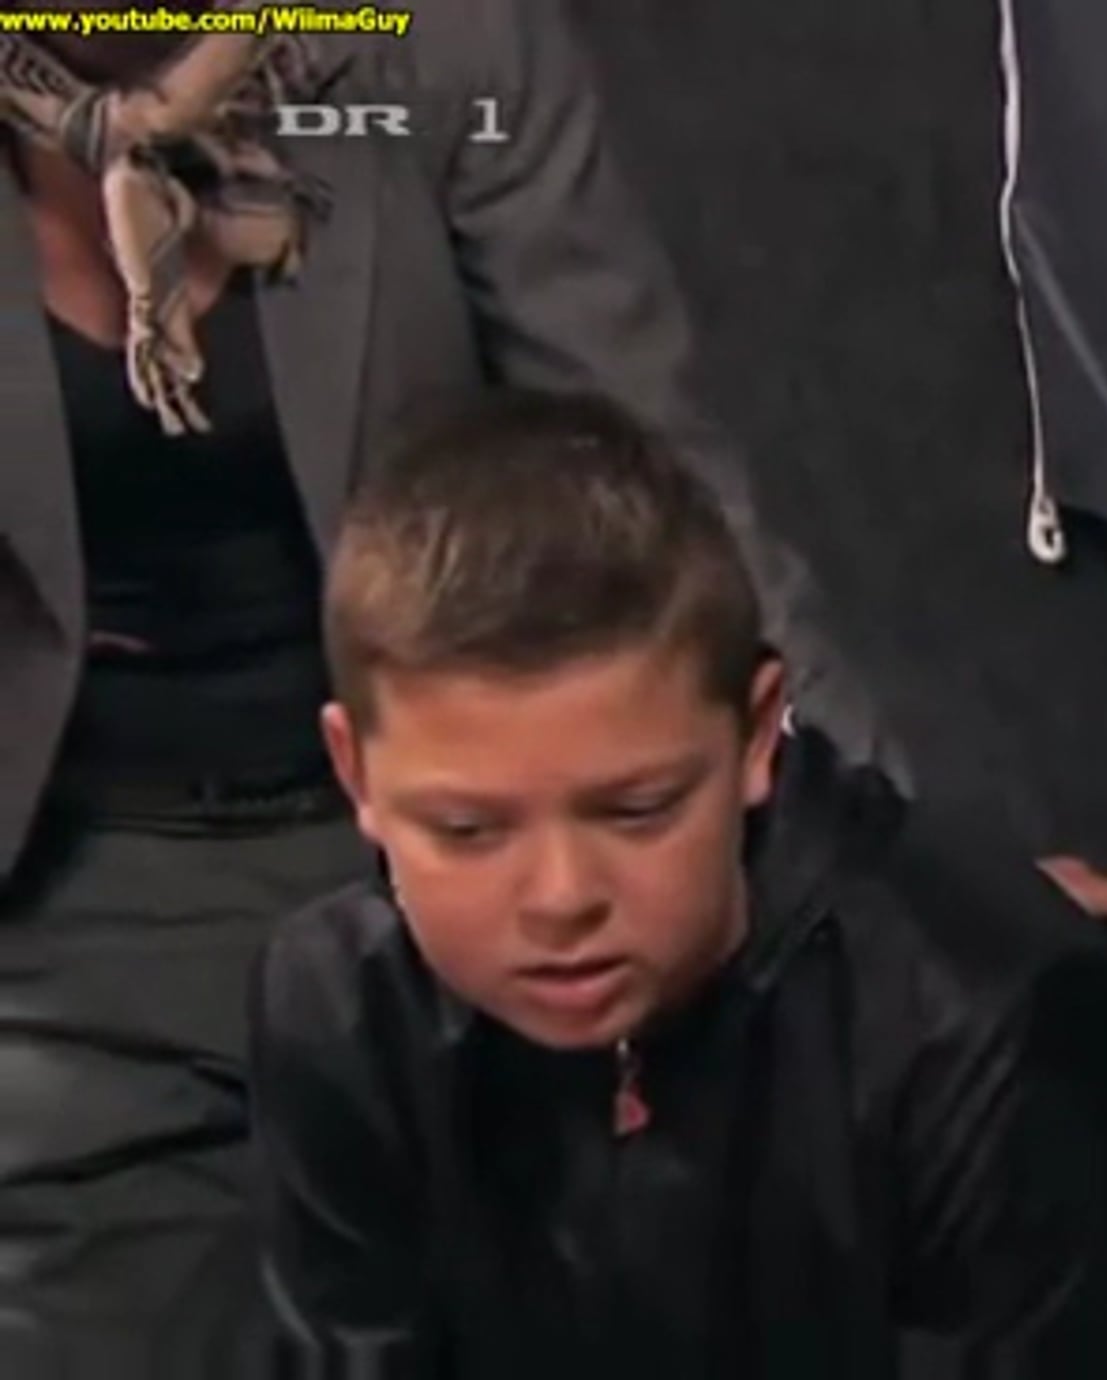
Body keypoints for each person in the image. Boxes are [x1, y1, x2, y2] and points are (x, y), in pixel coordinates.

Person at [0, 4, 909, 1373]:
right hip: (67, 894)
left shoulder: (440, 44)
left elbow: (661, 491)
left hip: (450, 838)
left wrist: (900, 876)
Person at [249, 388, 1107, 1376]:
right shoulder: (337, 1006)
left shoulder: (984, 1019)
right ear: (356, 773)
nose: (561, 898)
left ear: (756, 733)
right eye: (468, 830)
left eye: (638, 809)